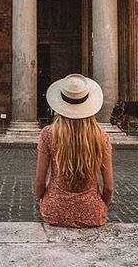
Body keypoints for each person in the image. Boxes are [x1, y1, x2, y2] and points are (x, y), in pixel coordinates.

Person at [34, 73, 114, 228]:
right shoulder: (101, 137)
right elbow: (109, 187)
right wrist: (102, 206)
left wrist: (42, 200)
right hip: (92, 212)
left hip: (55, 210)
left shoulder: (48, 134)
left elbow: (39, 182)